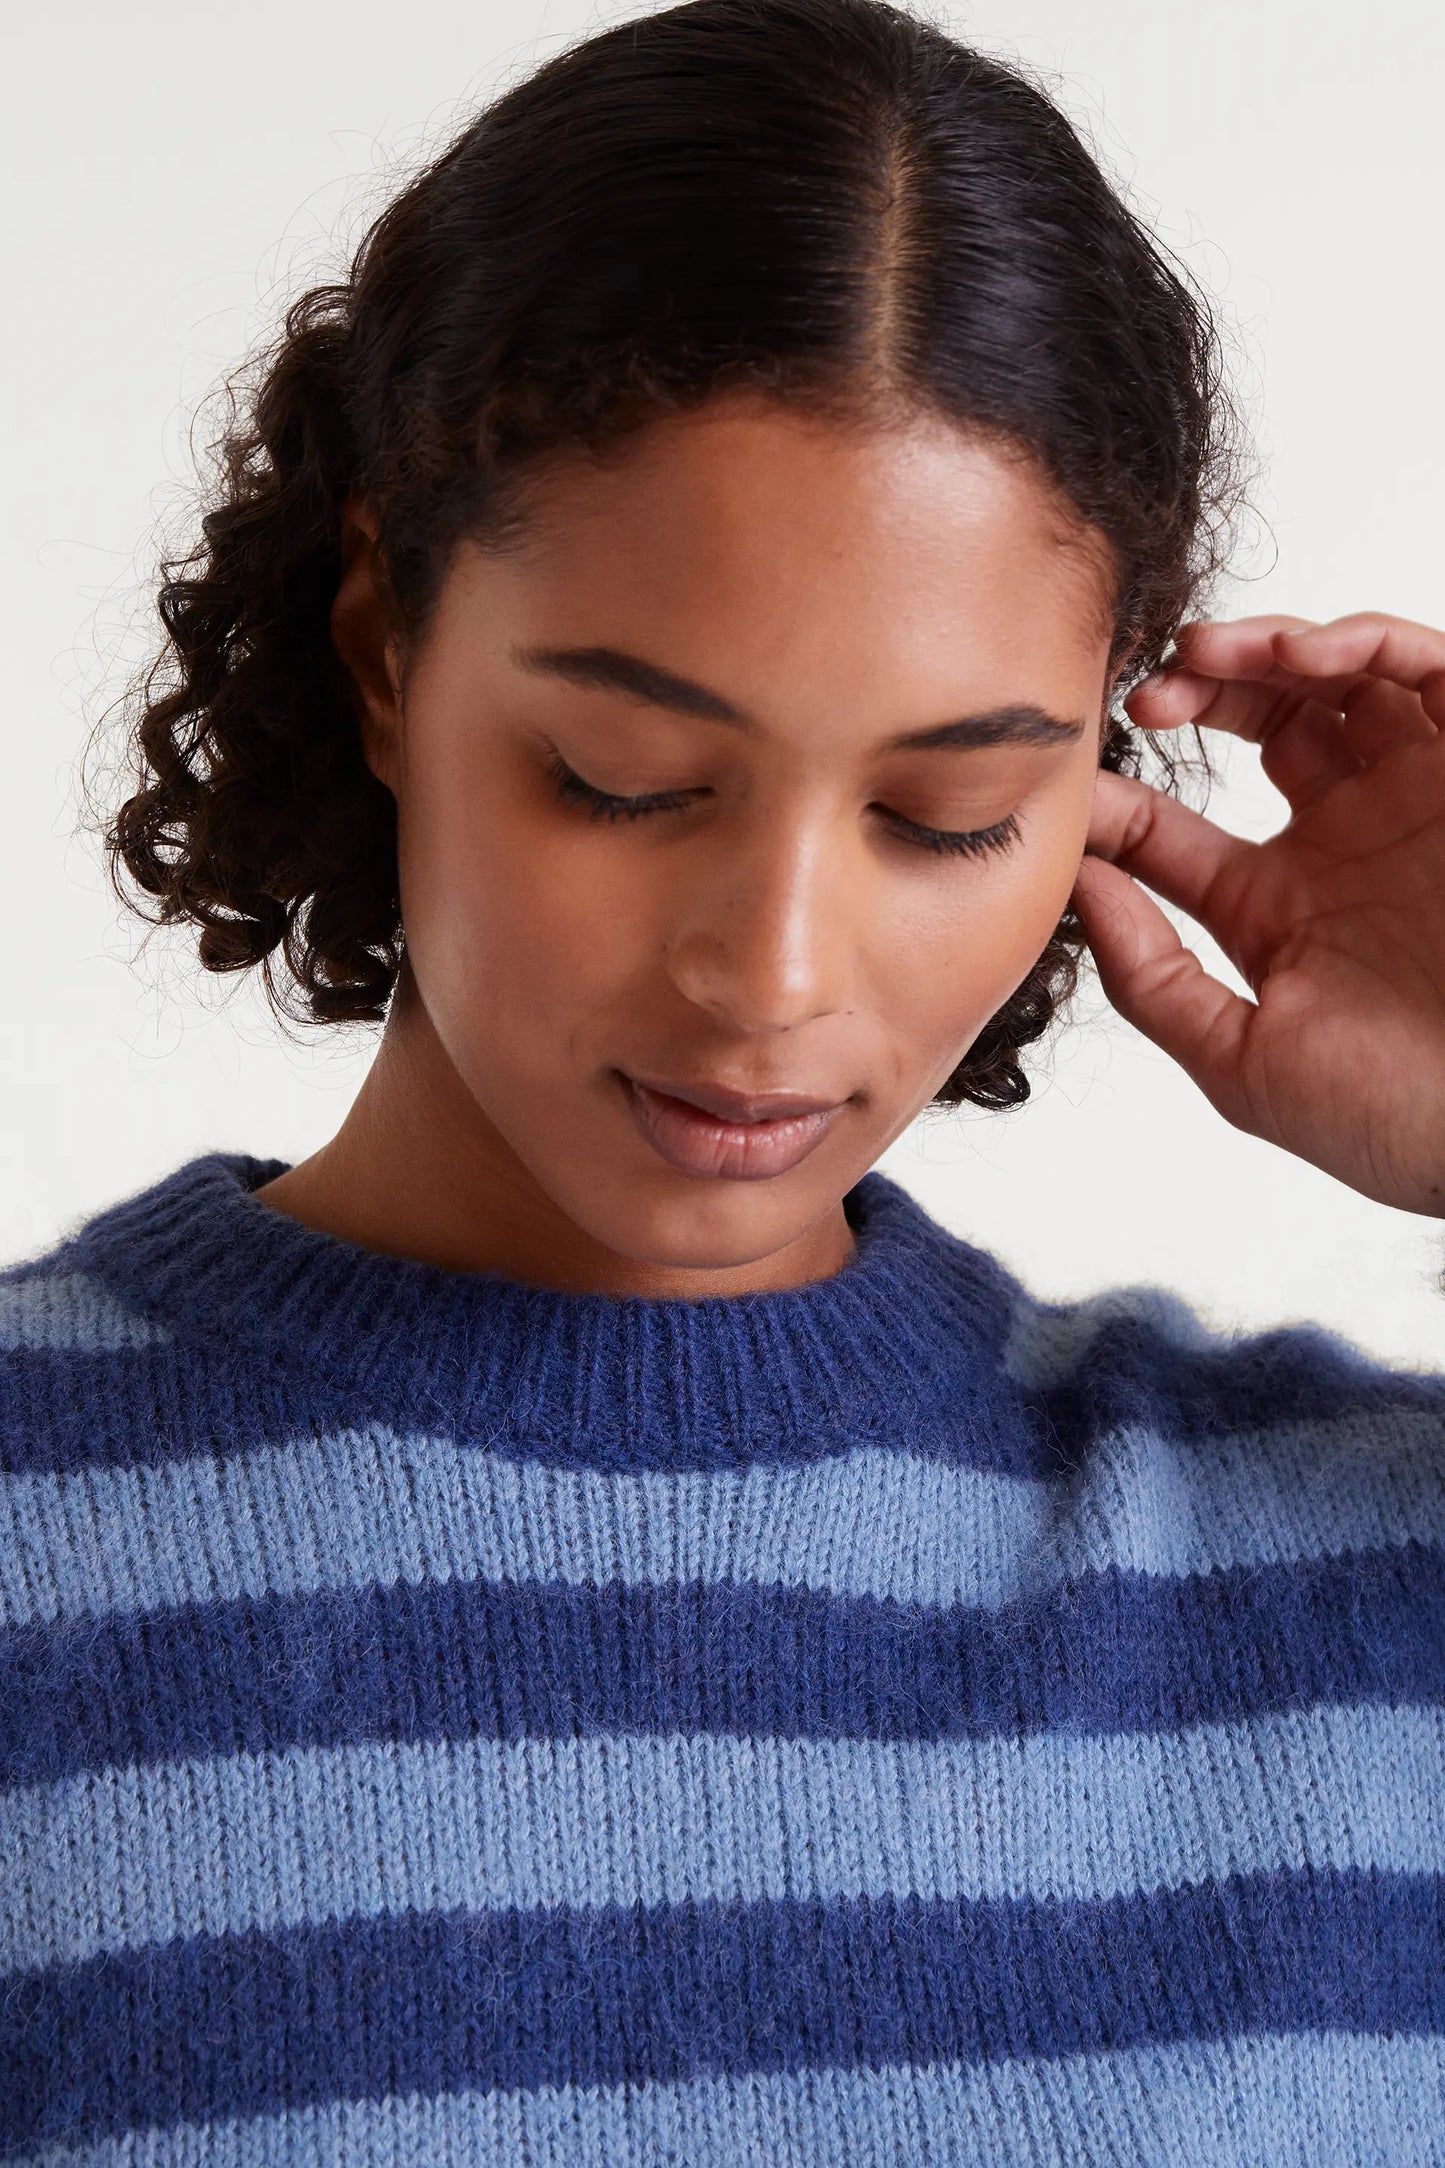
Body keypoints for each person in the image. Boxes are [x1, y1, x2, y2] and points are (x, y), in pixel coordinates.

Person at [3, 0, 1442, 2158]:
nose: (771, 975)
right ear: (386, 649)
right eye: (624, 777)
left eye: (948, 815)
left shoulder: (1359, 1578)